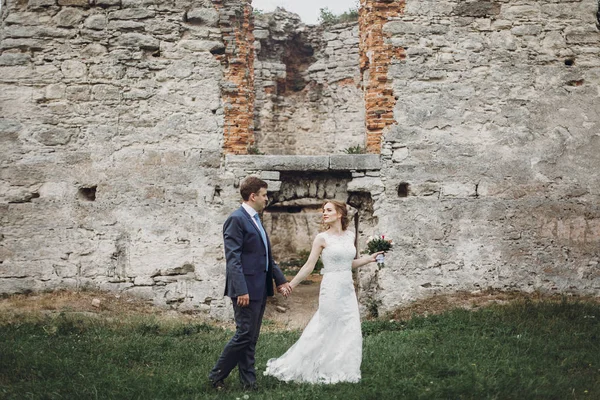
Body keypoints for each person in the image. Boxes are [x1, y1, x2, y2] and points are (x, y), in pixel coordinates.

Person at [263, 200, 384, 384]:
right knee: (325, 325)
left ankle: (342, 367)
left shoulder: (350, 236)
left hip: (347, 287)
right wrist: (291, 284)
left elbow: (348, 263)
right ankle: (311, 364)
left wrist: (369, 259)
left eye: (328, 210)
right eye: (323, 211)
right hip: (331, 286)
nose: (324, 214)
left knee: (348, 326)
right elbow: (309, 266)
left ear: (340, 214)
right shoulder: (322, 238)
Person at [209, 176, 293, 391]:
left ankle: (249, 383)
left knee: (251, 337)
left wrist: (280, 280)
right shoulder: (236, 219)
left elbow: (266, 255)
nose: (267, 199)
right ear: (253, 196)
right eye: (264, 195)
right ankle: (216, 376)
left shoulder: (256, 219)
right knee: (244, 334)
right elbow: (233, 259)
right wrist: (240, 290)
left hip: (259, 288)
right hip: (245, 290)